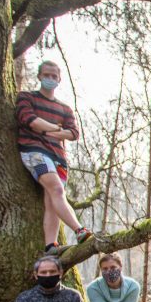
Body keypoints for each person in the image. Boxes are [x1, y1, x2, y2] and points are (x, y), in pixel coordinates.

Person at [16, 60, 93, 253]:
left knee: (51, 200)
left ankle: (50, 244)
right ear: (40, 76)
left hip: (58, 156)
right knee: (57, 190)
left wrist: (47, 130)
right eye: (46, 75)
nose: (50, 79)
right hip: (34, 151)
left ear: (59, 79)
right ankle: (79, 230)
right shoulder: (27, 97)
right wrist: (55, 128)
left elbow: (74, 133)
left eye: (54, 76)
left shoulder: (64, 109)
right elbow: (30, 120)